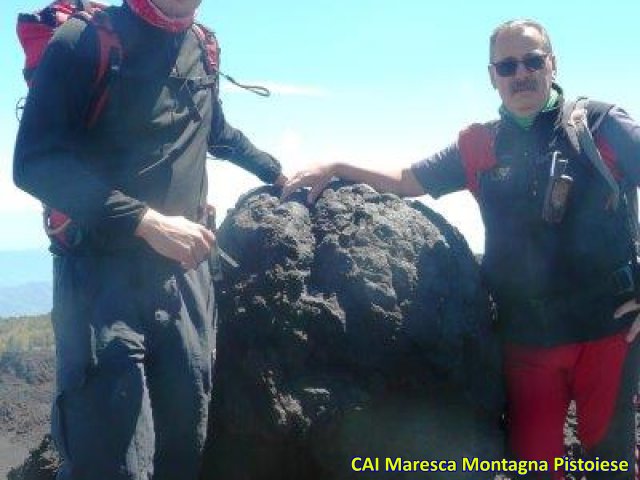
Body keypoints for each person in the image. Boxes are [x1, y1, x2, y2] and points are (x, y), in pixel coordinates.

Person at [282, 19, 640, 480]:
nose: (521, 73)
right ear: (492, 76)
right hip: (525, 340)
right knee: (533, 470)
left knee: (609, 469)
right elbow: (406, 180)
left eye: (532, 61)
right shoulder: (479, 145)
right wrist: (334, 165)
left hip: (606, 335)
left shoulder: (599, 125)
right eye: (507, 66)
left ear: (552, 64)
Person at [13, 0, 286, 478]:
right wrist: (147, 222)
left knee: (183, 448)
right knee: (108, 463)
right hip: (100, 282)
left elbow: (212, 128)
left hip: (185, 282)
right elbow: (34, 163)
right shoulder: (84, 41)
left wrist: (276, 172)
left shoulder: (201, 46)